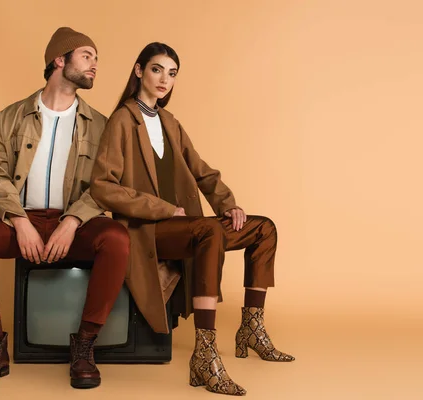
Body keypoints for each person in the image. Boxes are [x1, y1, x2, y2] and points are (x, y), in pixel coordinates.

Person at [90, 42, 294, 396]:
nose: (164, 79)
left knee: (264, 229)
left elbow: (203, 173)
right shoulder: (122, 120)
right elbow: (102, 187)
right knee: (210, 230)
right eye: (157, 69)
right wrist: (164, 208)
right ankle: (205, 352)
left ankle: (251, 328)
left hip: (189, 228)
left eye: (172, 73)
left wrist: (228, 203)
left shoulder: (170, 122)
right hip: (147, 229)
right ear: (139, 71)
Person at [0, 27, 129, 389]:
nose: (95, 64)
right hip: (22, 221)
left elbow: (106, 183)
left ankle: (85, 345)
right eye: (86, 55)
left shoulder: (100, 126)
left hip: (74, 225)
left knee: (116, 238)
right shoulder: (11, 117)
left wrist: (73, 220)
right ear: (59, 60)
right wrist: (18, 220)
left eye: (97, 58)